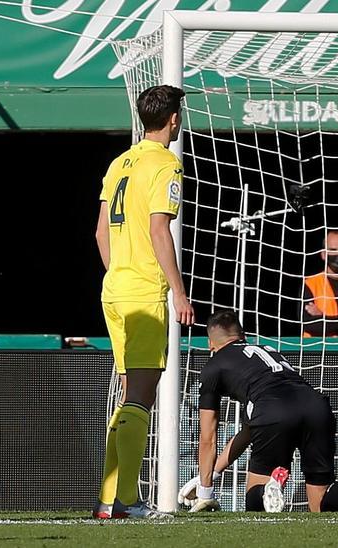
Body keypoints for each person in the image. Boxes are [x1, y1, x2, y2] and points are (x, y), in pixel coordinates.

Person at [179, 311, 338, 513]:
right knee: (320, 506)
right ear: (242, 335)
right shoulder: (267, 351)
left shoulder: (213, 365)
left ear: (210, 344)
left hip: (272, 411)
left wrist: (205, 491)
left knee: (255, 506)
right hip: (316, 407)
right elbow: (247, 432)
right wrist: (209, 475)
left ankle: (267, 490)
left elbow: (208, 437)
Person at [93, 84, 196, 520]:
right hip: (142, 291)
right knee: (139, 396)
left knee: (128, 397)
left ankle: (108, 499)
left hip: (114, 288)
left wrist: (118, 275)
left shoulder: (121, 161)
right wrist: (178, 290)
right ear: (173, 118)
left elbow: (100, 234)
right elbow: (159, 230)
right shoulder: (166, 163)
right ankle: (126, 501)